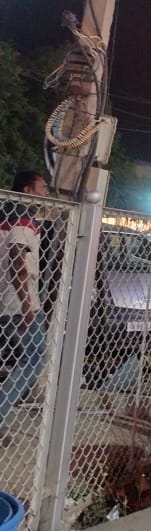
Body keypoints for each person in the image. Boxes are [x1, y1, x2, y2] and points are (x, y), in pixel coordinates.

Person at [0, 170, 49, 428]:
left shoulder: (7, 217)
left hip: (7, 299)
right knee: (35, 355)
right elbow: (17, 260)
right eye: (42, 187)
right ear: (27, 190)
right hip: (18, 302)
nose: (46, 192)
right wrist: (27, 304)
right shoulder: (23, 221)